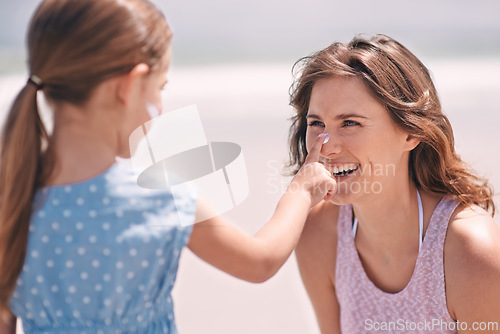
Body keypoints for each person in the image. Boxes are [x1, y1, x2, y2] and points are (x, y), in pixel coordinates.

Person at [0, 0, 336, 332]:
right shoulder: (161, 196)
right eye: (160, 88)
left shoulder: (11, 198)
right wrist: (302, 190)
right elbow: (260, 261)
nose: (160, 105)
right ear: (129, 85)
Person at [289, 34, 500, 333]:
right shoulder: (318, 234)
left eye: (350, 122)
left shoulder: (471, 252)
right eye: (316, 123)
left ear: (411, 133)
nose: (326, 146)